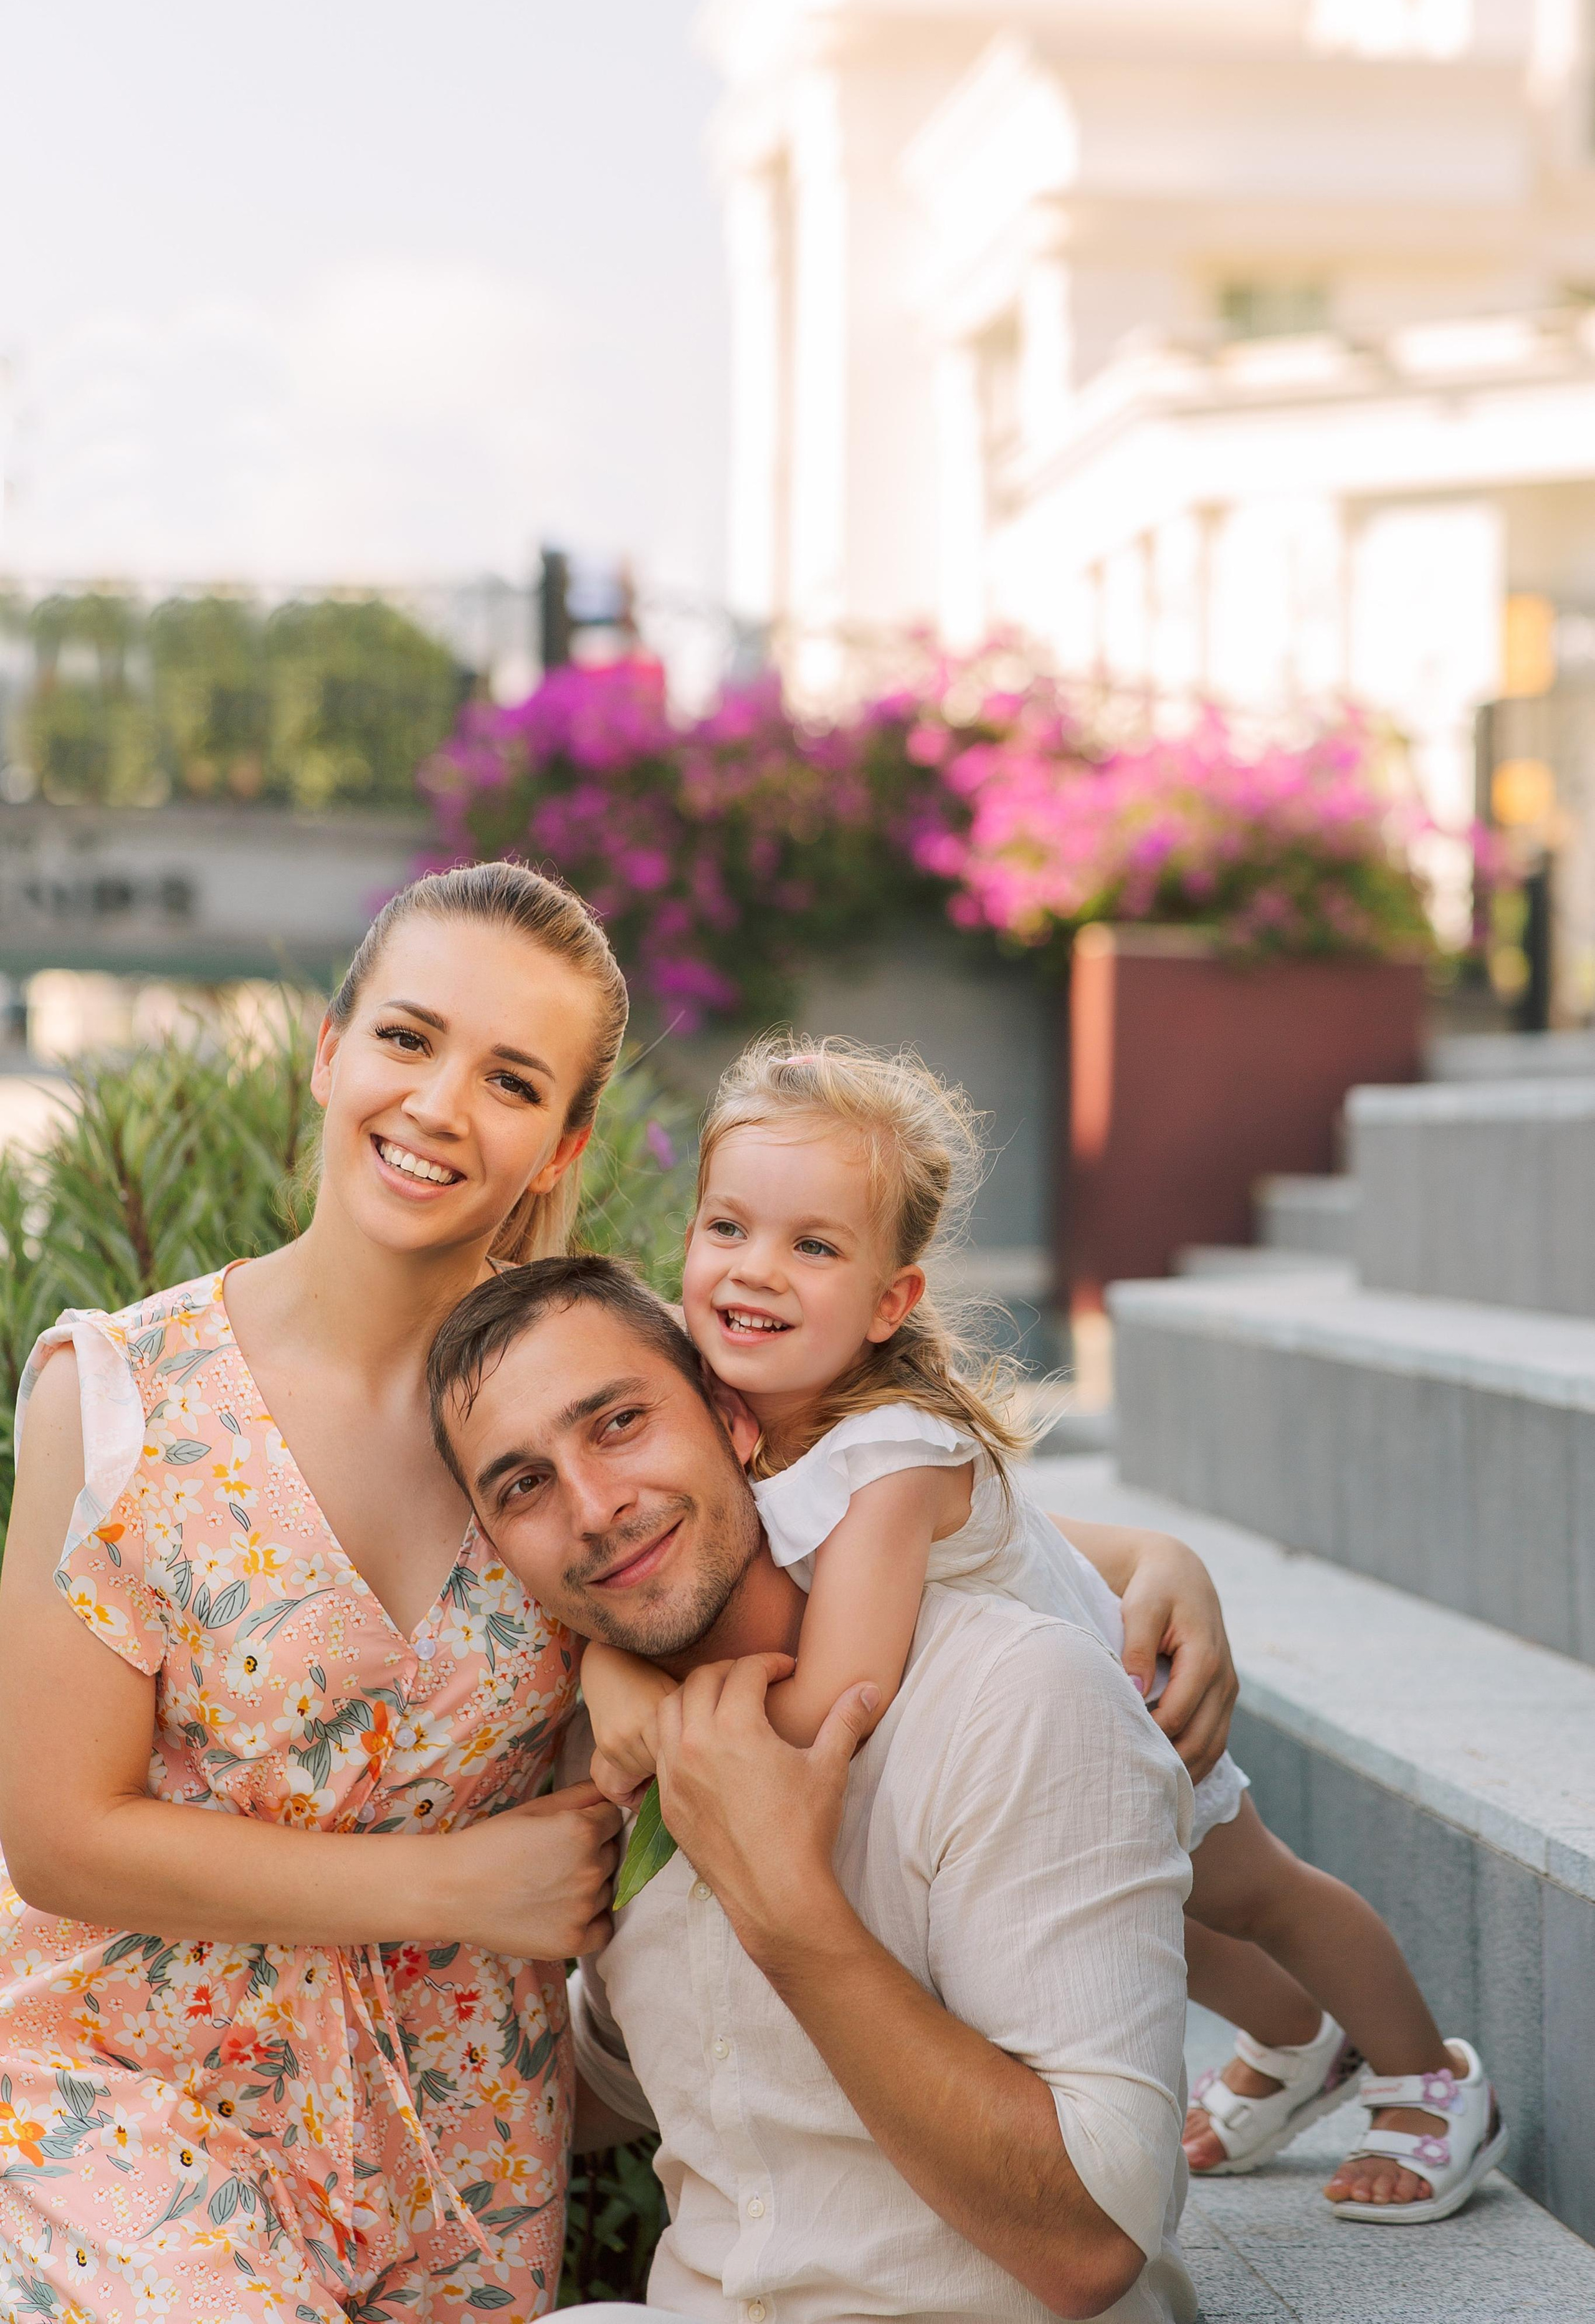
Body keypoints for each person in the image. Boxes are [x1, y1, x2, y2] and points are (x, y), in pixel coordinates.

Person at [582, 1035, 1505, 2224]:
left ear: (889, 1302)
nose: (755, 1270)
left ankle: (1429, 2073)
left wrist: (655, 1715)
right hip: (1009, 1763)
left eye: (814, 1246)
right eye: (728, 1229)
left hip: (1115, 1719)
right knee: (1170, 1909)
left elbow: (837, 1705)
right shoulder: (726, 1402)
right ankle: (1293, 2045)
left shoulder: (883, 1455)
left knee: (1258, 1892)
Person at [0, 863, 631, 2324]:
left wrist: (1143, 1564)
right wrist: (449, 1887)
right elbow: (57, 1838)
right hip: (129, 2081)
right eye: (408, 1040)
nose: (438, 1107)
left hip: (465, 2120)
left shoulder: (589, 1405)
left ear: (558, 1144)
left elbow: (793, 1512)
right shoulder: (120, 1399)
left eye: (511, 1079)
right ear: (329, 1049)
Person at [429, 1253, 1199, 2324]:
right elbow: (633, 2076)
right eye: (525, 1485)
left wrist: (785, 1907)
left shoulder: (1014, 1696)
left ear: (734, 1418)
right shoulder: (613, 1763)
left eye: (618, 1424)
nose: (597, 1508)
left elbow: (1092, 2244)